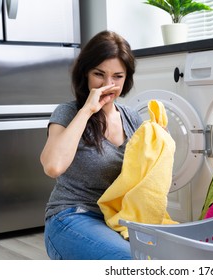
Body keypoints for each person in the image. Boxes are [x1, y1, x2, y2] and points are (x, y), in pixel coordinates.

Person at [40, 30, 143, 260]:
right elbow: (52, 166)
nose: (108, 84)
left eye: (118, 76)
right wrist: (88, 110)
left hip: (119, 220)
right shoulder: (68, 113)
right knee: (128, 260)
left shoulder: (133, 119)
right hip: (72, 217)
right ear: (85, 73)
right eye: (99, 74)